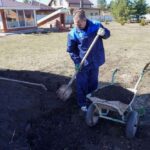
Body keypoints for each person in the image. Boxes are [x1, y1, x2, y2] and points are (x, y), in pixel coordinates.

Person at [67, 9, 110, 112]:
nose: (78, 26)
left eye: (80, 24)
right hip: (83, 64)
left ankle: (92, 101)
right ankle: (82, 103)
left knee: (93, 83)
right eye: (76, 24)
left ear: (85, 19)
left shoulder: (96, 25)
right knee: (81, 84)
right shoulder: (73, 33)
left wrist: (104, 33)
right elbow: (71, 50)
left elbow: (108, 35)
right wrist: (77, 62)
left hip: (95, 61)